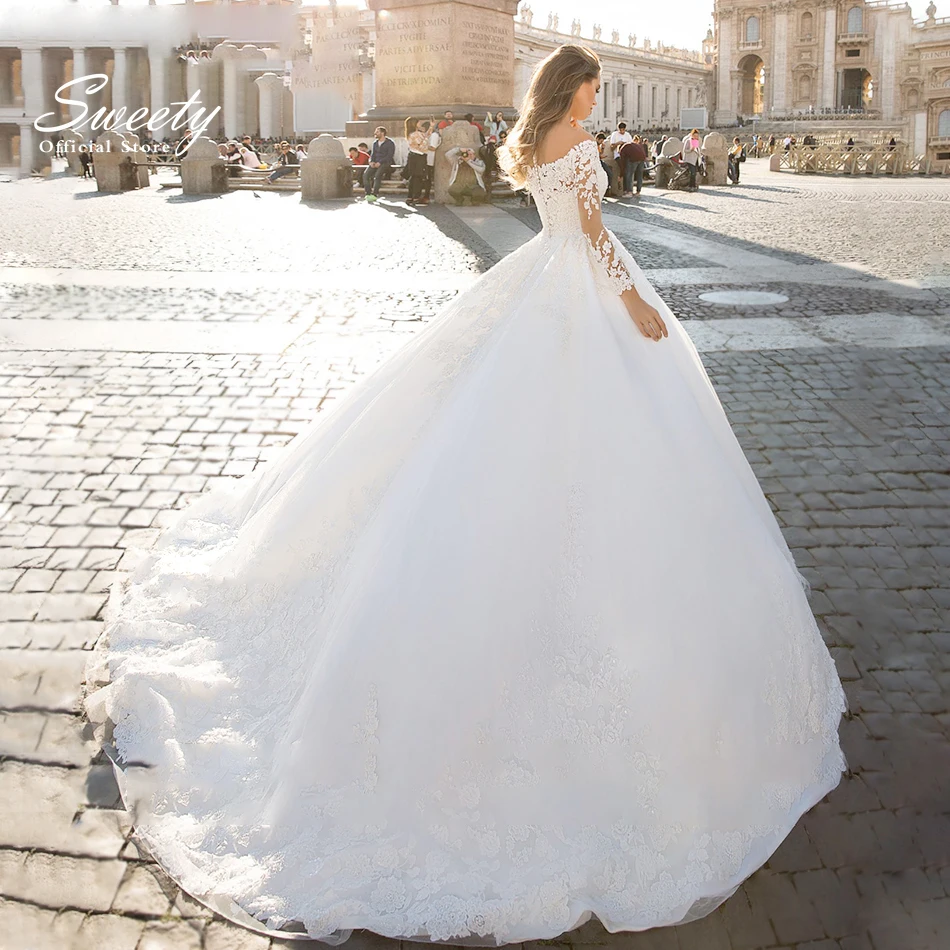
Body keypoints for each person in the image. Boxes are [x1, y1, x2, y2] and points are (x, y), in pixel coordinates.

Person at [87, 42, 846, 948]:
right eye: (595, 89)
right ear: (573, 90)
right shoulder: (570, 139)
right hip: (584, 288)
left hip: (539, 288)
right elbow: (599, 237)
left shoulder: (536, 137)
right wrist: (639, 307)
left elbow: (563, 225)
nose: (600, 103)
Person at [362, 126, 395, 201]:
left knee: (377, 176)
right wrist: (371, 161)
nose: (375, 133)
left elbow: (390, 155)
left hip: (385, 162)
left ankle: (375, 194)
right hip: (375, 162)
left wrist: (380, 162)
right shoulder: (375, 143)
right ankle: (368, 193)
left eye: (377, 132)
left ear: (382, 133)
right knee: (365, 175)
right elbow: (373, 154)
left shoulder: (390, 143)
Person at [404, 116, 429, 206]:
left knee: (413, 177)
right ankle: (416, 198)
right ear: (415, 124)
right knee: (418, 177)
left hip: (412, 156)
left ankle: (410, 197)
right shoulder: (417, 134)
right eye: (418, 122)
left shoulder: (410, 134)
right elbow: (423, 145)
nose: (420, 124)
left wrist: (431, 127)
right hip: (419, 156)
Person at [420, 120, 440, 205]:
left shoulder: (434, 135)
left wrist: (421, 145)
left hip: (430, 160)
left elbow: (433, 147)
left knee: (427, 179)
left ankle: (426, 196)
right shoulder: (428, 136)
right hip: (425, 158)